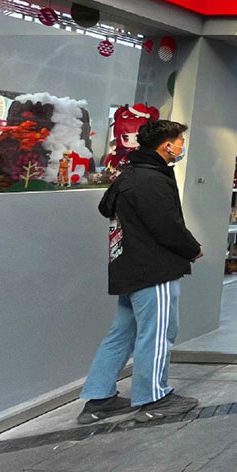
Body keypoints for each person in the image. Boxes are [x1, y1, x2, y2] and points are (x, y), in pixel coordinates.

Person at [78, 120, 202, 424]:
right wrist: (192, 249)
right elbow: (167, 225)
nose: (182, 146)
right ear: (166, 145)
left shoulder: (130, 173)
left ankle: (99, 397)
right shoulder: (152, 179)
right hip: (154, 269)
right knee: (157, 334)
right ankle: (154, 397)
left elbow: (106, 208)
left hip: (129, 267)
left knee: (122, 333)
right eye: (179, 141)